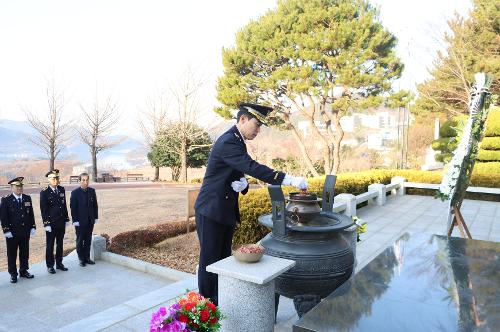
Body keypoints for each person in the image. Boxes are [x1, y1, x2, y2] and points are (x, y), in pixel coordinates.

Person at [194, 102, 307, 304]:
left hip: (222, 209)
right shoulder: (229, 141)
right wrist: (288, 179)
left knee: (221, 259)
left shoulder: (237, 140)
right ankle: (205, 306)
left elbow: (237, 172)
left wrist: (243, 184)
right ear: (243, 119)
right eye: (257, 124)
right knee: (209, 261)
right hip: (211, 209)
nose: (258, 130)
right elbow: (250, 166)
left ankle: (219, 301)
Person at [0, 177, 36, 283]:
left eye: (21, 186)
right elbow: (3, 217)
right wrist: (6, 230)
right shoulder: (6, 200)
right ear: (12, 187)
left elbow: (31, 214)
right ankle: (13, 274)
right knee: (12, 254)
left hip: (25, 231)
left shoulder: (27, 198)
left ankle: (24, 271)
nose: (19, 188)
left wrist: (33, 226)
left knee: (25, 253)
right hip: (12, 233)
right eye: (17, 186)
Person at [40, 169, 70, 274]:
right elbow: (43, 210)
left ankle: (59, 263)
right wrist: (46, 223)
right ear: (49, 179)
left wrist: (66, 219)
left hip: (61, 222)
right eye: (54, 178)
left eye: (57, 178)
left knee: (60, 244)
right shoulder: (44, 192)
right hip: (51, 224)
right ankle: (50, 265)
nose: (56, 180)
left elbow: (64, 205)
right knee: (50, 245)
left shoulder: (61, 189)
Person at [70, 172, 99, 267]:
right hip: (80, 222)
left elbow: (95, 205)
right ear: (80, 181)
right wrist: (75, 220)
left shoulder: (92, 191)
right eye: (83, 180)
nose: (85, 182)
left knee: (88, 240)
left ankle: (87, 258)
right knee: (80, 240)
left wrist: (95, 217)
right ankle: (81, 259)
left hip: (90, 221)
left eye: (87, 180)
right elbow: (73, 208)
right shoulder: (75, 193)